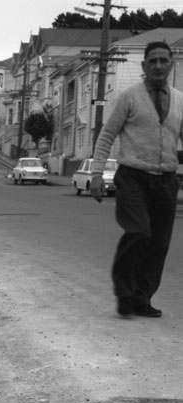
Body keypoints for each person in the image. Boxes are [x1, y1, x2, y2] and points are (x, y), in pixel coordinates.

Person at [90, 40, 183, 318]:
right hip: (132, 177)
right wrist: (96, 173)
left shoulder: (180, 99)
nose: (158, 65)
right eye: (152, 61)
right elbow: (107, 135)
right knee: (139, 231)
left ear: (171, 64)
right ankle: (124, 292)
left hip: (166, 179)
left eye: (163, 60)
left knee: (159, 244)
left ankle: (142, 298)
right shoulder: (129, 97)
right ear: (144, 65)